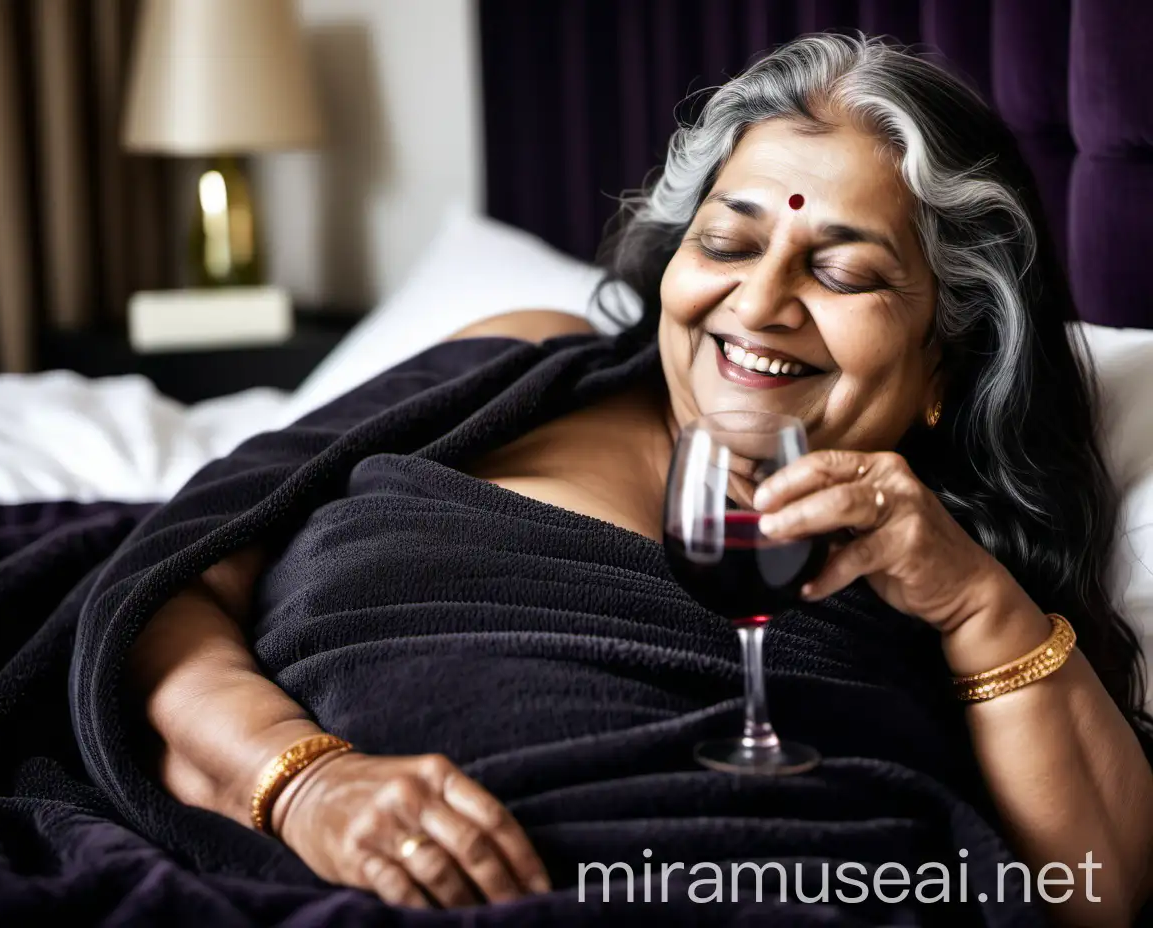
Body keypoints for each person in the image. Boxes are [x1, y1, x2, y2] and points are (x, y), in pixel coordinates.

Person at [124, 33, 1153, 925]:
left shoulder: (945, 568)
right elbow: (174, 574)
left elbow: (1093, 892)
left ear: (945, 353)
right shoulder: (520, 363)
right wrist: (301, 781)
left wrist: (977, 604)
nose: (758, 303)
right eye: (727, 240)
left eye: (839, 271)